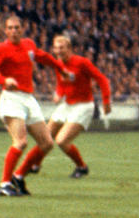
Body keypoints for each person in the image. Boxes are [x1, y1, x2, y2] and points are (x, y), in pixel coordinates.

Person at [0, 14, 69, 197]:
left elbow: (42, 56)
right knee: (20, 142)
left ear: (22, 29)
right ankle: (4, 184)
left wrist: (60, 67)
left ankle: (18, 177)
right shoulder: (1, 49)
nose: (13, 31)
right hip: (11, 99)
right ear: (5, 31)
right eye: (10, 28)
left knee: (47, 143)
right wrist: (2, 79)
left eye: (16, 27)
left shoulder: (28, 45)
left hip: (29, 98)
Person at [38, 34, 112, 179]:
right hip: (68, 104)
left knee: (61, 140)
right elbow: (61, 84)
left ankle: (81, 167)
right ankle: (36, 163)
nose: (58, 51)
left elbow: (101, 79)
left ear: (69, 48)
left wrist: (106, 101)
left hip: (83, 106)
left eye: (62, 47)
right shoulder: (58, 64)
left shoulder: (82, 62)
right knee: (46, 135)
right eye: (56, 48)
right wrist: (58, 94)